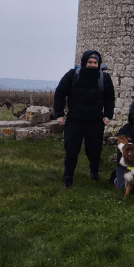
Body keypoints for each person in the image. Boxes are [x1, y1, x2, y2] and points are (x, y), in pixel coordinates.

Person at [53, 50, 115, 189]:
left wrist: (107, 115)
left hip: (95, 121)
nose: (92, 65)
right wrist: (59, 114)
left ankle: (94, 173)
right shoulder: (72, 75)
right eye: (90, 62)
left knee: (94, 150)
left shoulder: (104, 78)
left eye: (95, 62)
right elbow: (60, 93)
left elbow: (110, 98)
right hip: (75, 120)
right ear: (84, 62)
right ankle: (68, 178)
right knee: (71, 150)